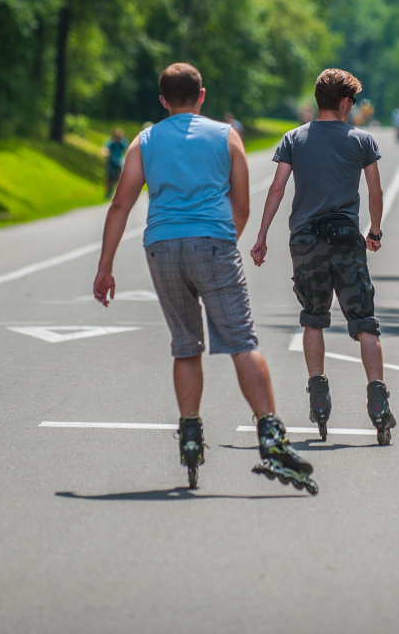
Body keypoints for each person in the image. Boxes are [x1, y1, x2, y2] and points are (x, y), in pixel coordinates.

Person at [92, 62, 316, 493]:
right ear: (201, 95)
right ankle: (270, 435)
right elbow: (243, 204)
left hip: (161, 246)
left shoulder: (145, 141)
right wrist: (223, 242)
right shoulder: (226, 136)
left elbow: (119, 206)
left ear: (162, 100)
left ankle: (191, 434)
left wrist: (105, 267)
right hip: (213, 241)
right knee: (241, 340)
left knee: (185, 343)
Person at [250, 68, 396, 445]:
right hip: (346, 239)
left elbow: (277, 189)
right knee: (364, 322)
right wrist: (374, 231)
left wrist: (262, 235)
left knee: (313, 319)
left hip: (305, 240)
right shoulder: (361, 139)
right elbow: (375, 193)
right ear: (346, 102)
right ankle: (378, 399)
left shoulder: (294, 139)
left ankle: (318, 393)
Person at [102, 128, 129, 199]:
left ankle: (119, 193)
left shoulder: (123, 142)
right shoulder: (110, 142)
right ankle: (108, 192)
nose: (118, 138)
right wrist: (106, 153)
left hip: (119, 161)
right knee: (110, 177)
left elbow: (126, 151)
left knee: (120, 178)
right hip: (112, 161)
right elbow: (105, 149)